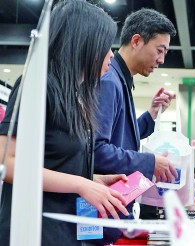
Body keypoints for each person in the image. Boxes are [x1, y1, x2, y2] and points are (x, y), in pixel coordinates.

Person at [0, 1, 130, 245]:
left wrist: (92, 180)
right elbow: (6, 162)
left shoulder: (77, 96)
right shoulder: (38, 86)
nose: (111, 55)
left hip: (66, 231)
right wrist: (81, 184)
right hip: (34, 232)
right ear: (84, 43)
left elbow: (57, 162)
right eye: (105, 46)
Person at [93, 8, 178, 243]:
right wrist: (150, 162)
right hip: (101, 205)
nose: (161, 60)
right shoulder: (110, 81)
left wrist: (151, 114)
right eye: (159, 51)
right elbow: (98, 150)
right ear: (137, 41)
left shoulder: (121, 79)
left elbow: (122, 136)